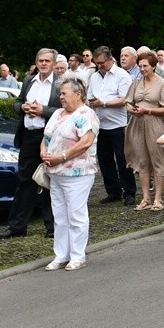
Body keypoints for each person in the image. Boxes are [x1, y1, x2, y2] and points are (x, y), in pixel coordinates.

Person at [0, 49, 61, 239]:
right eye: (41, 60)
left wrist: (43, 110)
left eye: (47, 61)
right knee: (25, 180)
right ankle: (17, 226)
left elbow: (66, 110)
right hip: (28, 136)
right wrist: (23, 107)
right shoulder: (28, 81)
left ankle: (52, 226)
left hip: (49, 137)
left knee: (50, 181)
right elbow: (17, 103)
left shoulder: (60, 83)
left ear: (54, 63)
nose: (43, 64)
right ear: (36, 62)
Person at [40, 74, 99, 271]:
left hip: (77, 173)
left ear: (78, 94)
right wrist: (43, 152)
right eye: (60, 93)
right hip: (55, 172)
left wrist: (62, 156)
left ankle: (77, 255)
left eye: (64, 93)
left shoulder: (86, 114)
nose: (61, 97)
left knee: (76, 214)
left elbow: (85, 143)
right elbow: (46, 137)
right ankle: (61, 255)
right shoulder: (57, 113)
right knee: (59, 216)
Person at [124, 51, 164, 211]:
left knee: (157, 158)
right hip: (137, 124)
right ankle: (146, 198)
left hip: (154, 124)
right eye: (140, 66)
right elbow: (128, 102)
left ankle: (158, 198)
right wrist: (133, 109)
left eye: (145, 66)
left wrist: (148, 110)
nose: (142, 69)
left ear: (153, 66)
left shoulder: (162, 84)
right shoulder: (136, 82)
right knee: (141, 160)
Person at [88, 46, 136, 206]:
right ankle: (113, 191)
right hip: (100, 125)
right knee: (104, 160)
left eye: (102, 62)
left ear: (110, 59)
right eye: (97, 63)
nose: (99, 66)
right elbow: (89, 96)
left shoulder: (122, 75)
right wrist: (92, 102)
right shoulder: (94, 77)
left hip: (118, 124)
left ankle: (129, 191)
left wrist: (103, 103)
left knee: (123, 160)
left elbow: (125, 99)